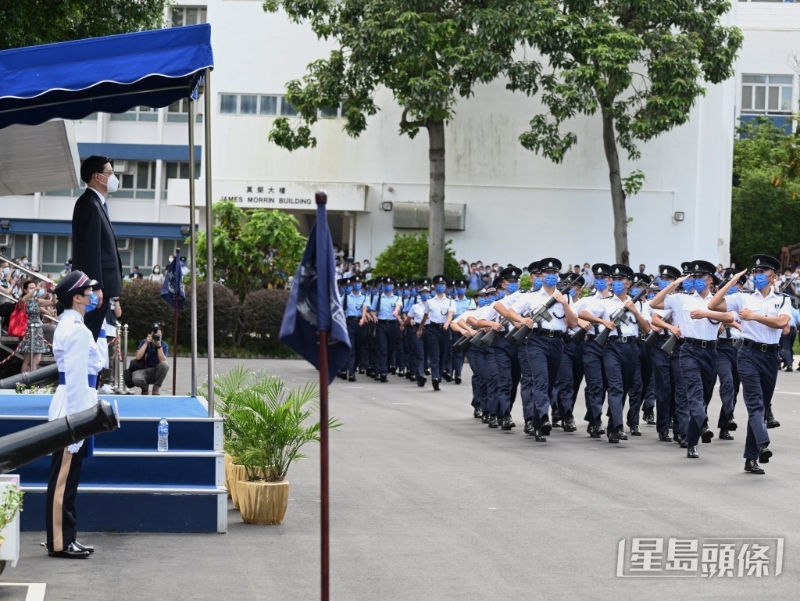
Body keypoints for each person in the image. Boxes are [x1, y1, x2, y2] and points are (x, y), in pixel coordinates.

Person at [708, 255, 791, 475]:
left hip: (771, 357)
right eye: (754, 273)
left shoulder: (783, 300)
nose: (756, 277)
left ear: (772, 277)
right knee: (755, 404)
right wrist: (730, 281)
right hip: (747, 353)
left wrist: (754, 317)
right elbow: (713, 304)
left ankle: (750, 458)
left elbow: (782, 323)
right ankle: (763, 443)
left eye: (761, 274)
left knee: (762, 406)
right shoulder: (743, 298)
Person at [45, 270, 103, 559]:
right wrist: (79, 424)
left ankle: (67, 537)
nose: (93, 295)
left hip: (71, 403)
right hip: (74, 406)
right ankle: (60, 540)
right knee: (63, 480)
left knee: (67, 479)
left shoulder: (72, 324)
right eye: (88, 291)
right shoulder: (76, 329)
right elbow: (79, 380)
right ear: (76, 297)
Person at [71, 156, 123, 341]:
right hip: (94, 290)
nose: (113, 177)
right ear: (97, 177)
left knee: (93, 339)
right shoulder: (89, 205)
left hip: (100, 288)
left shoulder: (97, 204)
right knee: (88, 337)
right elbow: (91, 250)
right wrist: (96, 286)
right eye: (109, 173)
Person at [417, 275, 454, 391]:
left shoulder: (450, 301)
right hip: (432, 330)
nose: (441, 287)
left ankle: (438, 375)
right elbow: (425, 317)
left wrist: (448, 323)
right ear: (434, 287)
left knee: (443, 355)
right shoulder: (429, 302)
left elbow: (450, 314)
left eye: (442, 285)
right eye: (438, 285)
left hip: (444, 329)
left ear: (445, 287)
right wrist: (420, 329)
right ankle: (435, 378)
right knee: (435, 355)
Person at [18, 280, 58, 372]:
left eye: (34, 287)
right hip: (27, 330)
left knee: (37, 359)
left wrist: (53, 292)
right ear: (25, 290)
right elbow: (22, 301)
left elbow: (53, 302)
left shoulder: (37, 300)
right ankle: (23, 384)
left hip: (38, 330)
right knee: (27, 360)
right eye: (30, 288)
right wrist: (35, 289)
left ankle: (31, 380)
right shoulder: (22, 300)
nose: (34, 290)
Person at [132, 325, 170, 395]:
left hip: (155, 371)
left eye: (158, 335)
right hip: (143, 370)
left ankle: (156, 388)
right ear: (150, 335)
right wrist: (146, 343)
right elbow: (138, 357)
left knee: (165, 365)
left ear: (161, 335)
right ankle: (144, 388)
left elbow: (163, 361)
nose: (156, 337)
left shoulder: (164, 345)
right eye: (155, 335)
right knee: (136, 379)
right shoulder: (144, 342)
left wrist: (159, 346)